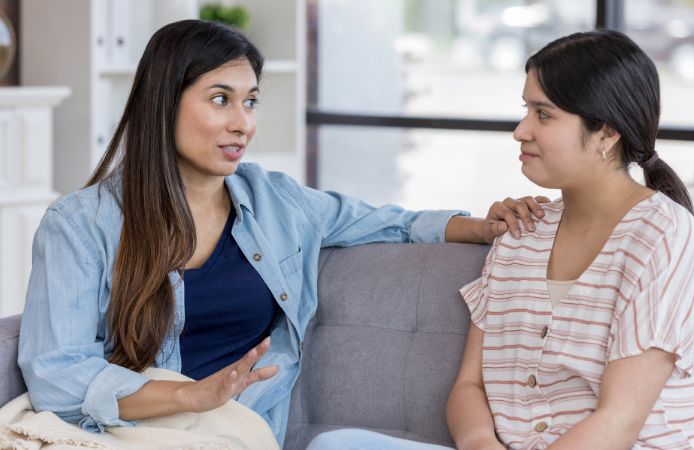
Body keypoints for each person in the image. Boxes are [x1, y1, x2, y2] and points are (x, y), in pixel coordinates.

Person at [17, 19, 547, 447]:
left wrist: (483, 225)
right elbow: (54, 372)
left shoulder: (276, 201)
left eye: (250, 101)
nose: (243, 123)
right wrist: (189, 397)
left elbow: (392, 222)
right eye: (220, 99)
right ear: (164, 103)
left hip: (231, 432)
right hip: (117, 431)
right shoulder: (81, 223)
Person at [307, 30, 694, 450]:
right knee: (335, 444)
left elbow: (617, 423)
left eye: (543, 115)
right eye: (526, 110)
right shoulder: (522, 231)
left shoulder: (666, 240)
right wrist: (480, 443)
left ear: (605, 133)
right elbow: (469, 387)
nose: (520, 131)